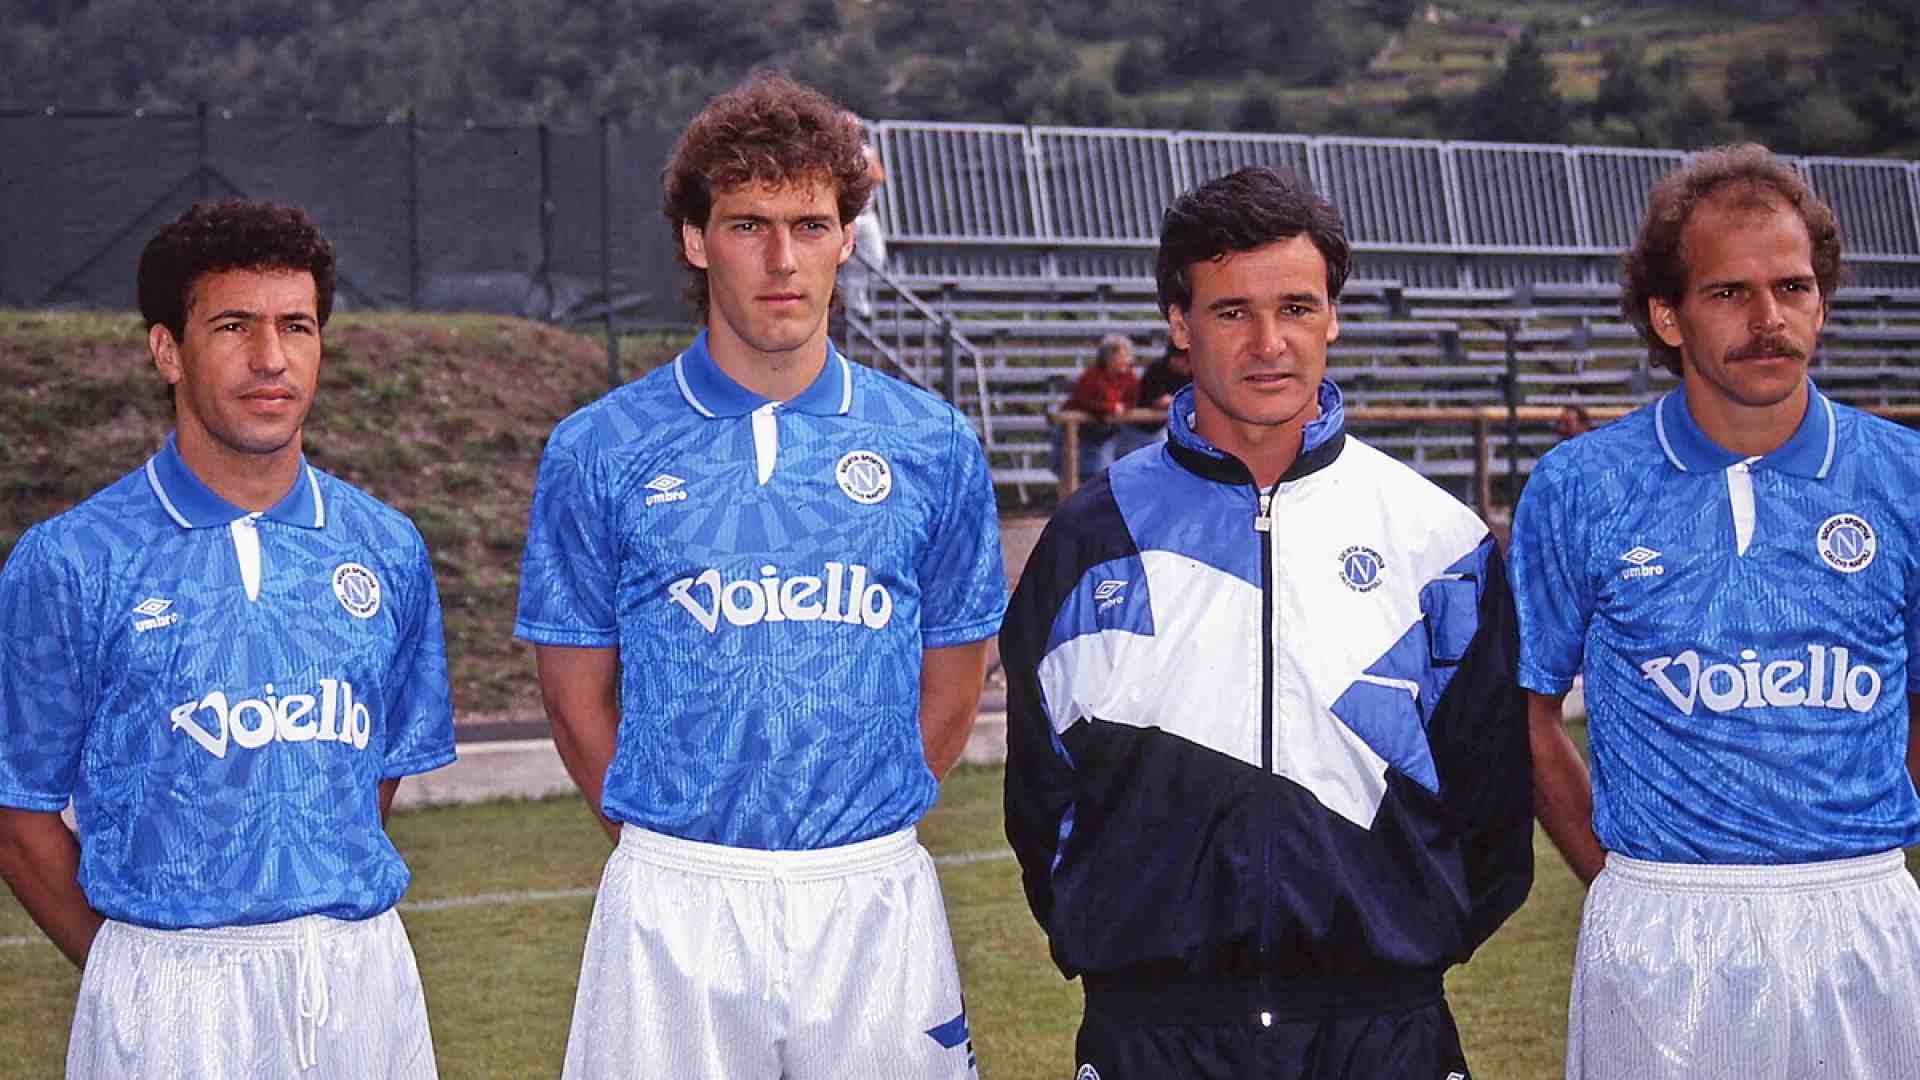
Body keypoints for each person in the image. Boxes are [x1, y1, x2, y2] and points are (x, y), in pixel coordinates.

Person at [515, 72, 1005, 1080]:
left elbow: (953, 686)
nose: (783, 259)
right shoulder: (599, 449)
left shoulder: (934, 445)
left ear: (845, 238)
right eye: (749, 225)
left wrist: (850, 827)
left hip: (870, 892)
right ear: (697, 240)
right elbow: (575, 701)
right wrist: (678, 847)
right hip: (672, 896)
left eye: (810, 225)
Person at [1002, 165, 1532, 1079]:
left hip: (1380, 1032)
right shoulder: (1091, 537)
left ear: (1333, 318)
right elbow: (1040, 801)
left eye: (1295, 307)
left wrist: (1388, 951)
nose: (1268, 344)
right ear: (1179, 324)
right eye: (1231, 312)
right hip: (1154, 1033)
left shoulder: (1434, 540)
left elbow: (1492, 808)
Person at [0, 199, 455, 1077]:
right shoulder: (72, 560)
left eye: (297, 326)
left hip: (361, 980)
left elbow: (374, 769)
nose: (270, 357)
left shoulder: (385, 547)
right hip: (168, 991)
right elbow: (18, 810)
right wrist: (130, 973)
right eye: (234, 326)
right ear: (168, 349)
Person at [1510, 143, 1920, 1078]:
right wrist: (1620, 876)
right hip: (1659, 922)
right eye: (1730, 292)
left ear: (1821, 300)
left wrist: (1850, 836)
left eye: (1793, 288)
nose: (1769, 319)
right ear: (1668, 314)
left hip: (1862, 915)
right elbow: (1525, 712)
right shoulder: (1583, 485)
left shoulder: (1903, 479)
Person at [1056, 332, 1142, 482]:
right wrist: (1111, 408)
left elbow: (1133, 398)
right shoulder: (1092, 376)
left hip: (1103, 434)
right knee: (1073, 474)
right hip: (1079, 433)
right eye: (1123, 356)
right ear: (1109, 357)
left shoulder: (1128, 375)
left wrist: (1122, 408)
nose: (1128, 360)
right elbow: (1085, 402)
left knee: (1104, 474)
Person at [1127, 341, 1194, 446]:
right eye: (1187, 360)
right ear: (1174, 358)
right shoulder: (1156, 369)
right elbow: (1159, 402)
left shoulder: (1190, 373)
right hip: (1134, 429)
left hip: (1159, 429)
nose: (1190, 365)